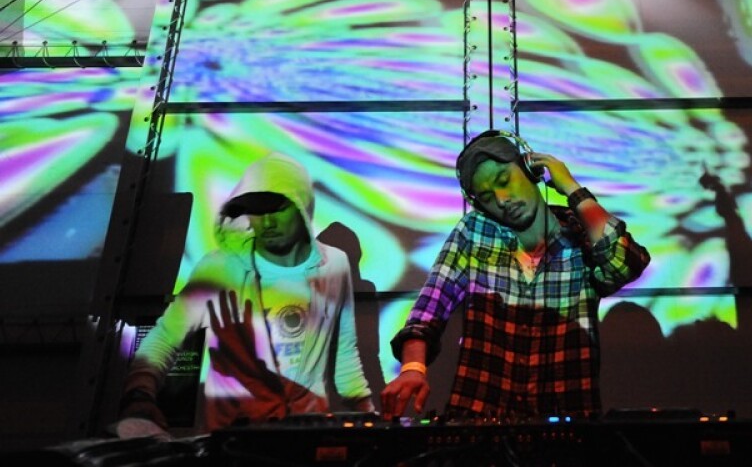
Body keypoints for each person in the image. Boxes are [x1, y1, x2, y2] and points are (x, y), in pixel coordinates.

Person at [380, 131, 650, 419]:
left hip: (568, 418)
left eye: (504, 180)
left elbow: (626, 265)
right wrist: (412, 369)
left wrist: (573, 190)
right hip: (480, 420)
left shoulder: (581, 232)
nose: (502, 199)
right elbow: (427, 312)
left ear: (531, 170)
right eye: (487, 196)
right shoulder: (474, 231)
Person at [116, 152, 374, 437]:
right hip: (231, 439)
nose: (267, 222)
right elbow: (166, 336)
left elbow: (345, 355)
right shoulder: (220, 267)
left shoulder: (333, 265)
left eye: (277, 208)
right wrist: (139, 394)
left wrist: (372, 421)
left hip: (305, 438)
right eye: (257, 211)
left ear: (302, 205)